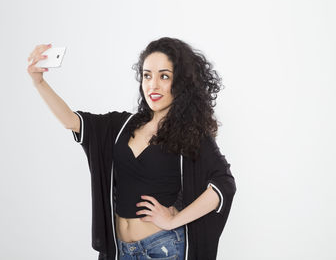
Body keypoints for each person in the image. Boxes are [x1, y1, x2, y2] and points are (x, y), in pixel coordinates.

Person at [27, 37, 237, 260]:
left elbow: (224, 185)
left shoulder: (191, 134)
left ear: (181, 82)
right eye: (147, 75)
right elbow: (72, 121)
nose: (153, 85)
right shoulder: (122, 126)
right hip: (121, 250)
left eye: (164, 76)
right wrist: (39, 81)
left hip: (163, 249)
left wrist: (175, 219)